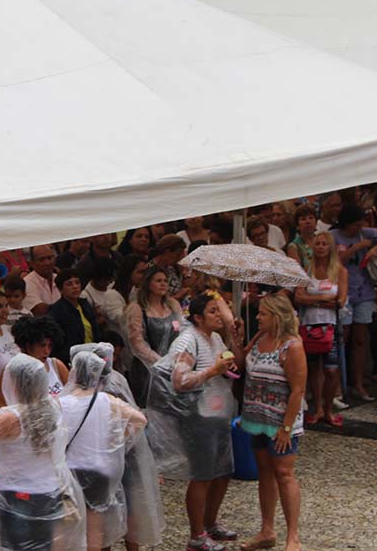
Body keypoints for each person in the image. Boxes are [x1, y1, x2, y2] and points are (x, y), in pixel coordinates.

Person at [0, 354, 85, 551]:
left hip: (19, 496)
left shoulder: (14, 416)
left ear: (16, 385)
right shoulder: (52, 408)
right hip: (48, 493)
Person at [146, 294, 243, 551]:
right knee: (202, 475)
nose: (218, 315)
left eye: (218, 311)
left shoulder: (216, 338)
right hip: (198, 417)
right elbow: (179, 381)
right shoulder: (187, 340)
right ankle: (196, 535)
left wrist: (235, 342)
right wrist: (212, 371)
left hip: (218, 414)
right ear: (198, 317)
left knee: (223, 471)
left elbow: (231, 364)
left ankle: (210, 523)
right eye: (213, 311)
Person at [71, 343, 164, 551]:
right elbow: (136, 419)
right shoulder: (115, 380)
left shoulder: (106, 387)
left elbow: (132, 419)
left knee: (107, 510)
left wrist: (115, 442)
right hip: (119, 456)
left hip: (113, 457)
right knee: (121, 506)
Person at [239, 296, 306, 551]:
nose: (258, 317)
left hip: (280, 421)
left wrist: (286, 427)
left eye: (263, 313)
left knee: (284, 474)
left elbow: (298, 390)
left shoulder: (292, 346)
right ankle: (267, 530)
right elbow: (240, 362)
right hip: (257, 417)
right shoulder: (259, 338)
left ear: (277, 317)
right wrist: (236, 336)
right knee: (265, 472)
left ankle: (293, 537)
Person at [332, 204, 377, 401]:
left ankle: (359, 383)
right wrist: (356, 248)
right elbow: (334, 262)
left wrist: (376, 248)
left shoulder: (365, 232)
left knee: (361, 339)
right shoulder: (333, 236)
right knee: (342, 338)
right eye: (356, 224)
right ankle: (338, 386)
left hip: (364, 292)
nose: (359, 227)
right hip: (343, 291)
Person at [294, 232, 348, 427]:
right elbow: (298, 298)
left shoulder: (340, 271)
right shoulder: (306, 271)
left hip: (331, 326)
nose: (320, 247)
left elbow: (340, 301)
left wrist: (312, 300)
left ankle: (328, 409)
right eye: (317, 243)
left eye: (325, 244)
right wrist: (323, 299)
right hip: (308, 325)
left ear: (331, 247)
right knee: (314, 368)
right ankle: (317, 408)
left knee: (331, 370)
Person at [124, 268, 184, 407]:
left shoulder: (173, 305)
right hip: (147, 368)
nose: (163, 284)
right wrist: (161, 362)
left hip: (174, 365)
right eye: (158, 281)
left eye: (165, 281)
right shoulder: (137, 309)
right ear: (148, 284)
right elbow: (137, 342)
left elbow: (183, 331)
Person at [0, 316, 68, 407]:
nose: (47, 351)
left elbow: (72, 395)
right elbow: (0, 405)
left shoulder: (56, 365)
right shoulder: (10, 369)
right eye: (42, 345)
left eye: (50, 346)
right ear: (28, 346)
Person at [47, 268, 100, 362]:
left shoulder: (85, 304)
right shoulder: (56, 311)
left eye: (77, 282)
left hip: (93, 356)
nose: (75, 286)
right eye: (69, 284)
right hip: (72, 359)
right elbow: (57, 343)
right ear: (60, 289)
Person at [23, 245, 60, 316]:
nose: (47, 263)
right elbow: (39, 310)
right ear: (32, 263)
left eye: (50, 258)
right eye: (41, 260)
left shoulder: (59, 278)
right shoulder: (26, 283)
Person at [149, 234, 188, 301]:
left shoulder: (172, 269)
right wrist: (177, 296)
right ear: (167, 252)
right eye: (177, 255)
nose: (178, 258)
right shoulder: (149, 270)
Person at [286, 205, 318, 271]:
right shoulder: (293, 247)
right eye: (303, 219)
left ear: (316, 222)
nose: (308, 221)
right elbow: (298, 272)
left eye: (311, 218)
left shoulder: (323, 241)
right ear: (297, 225)